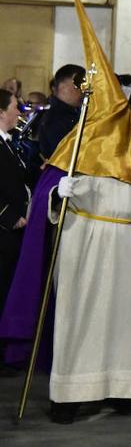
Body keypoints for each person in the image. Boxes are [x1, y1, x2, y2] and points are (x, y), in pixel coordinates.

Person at [0, 0, 131, 424]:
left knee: (126, 326)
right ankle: (71, 393)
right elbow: (44, 205)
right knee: (80, 321)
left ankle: (127, 388)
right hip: (83, 250)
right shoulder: (71, 149)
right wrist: (60, 193)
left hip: (128, 254)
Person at [0, 88, 29, 312]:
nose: (19, 112)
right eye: (15, 107)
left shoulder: (8, 142)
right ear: (1, 113)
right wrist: (9, 216)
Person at [37, 64, 85, 165]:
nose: (82, 90)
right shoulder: (54, 119)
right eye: (78, 86)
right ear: (62, 87)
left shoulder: (73, 113)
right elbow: (65, 156)